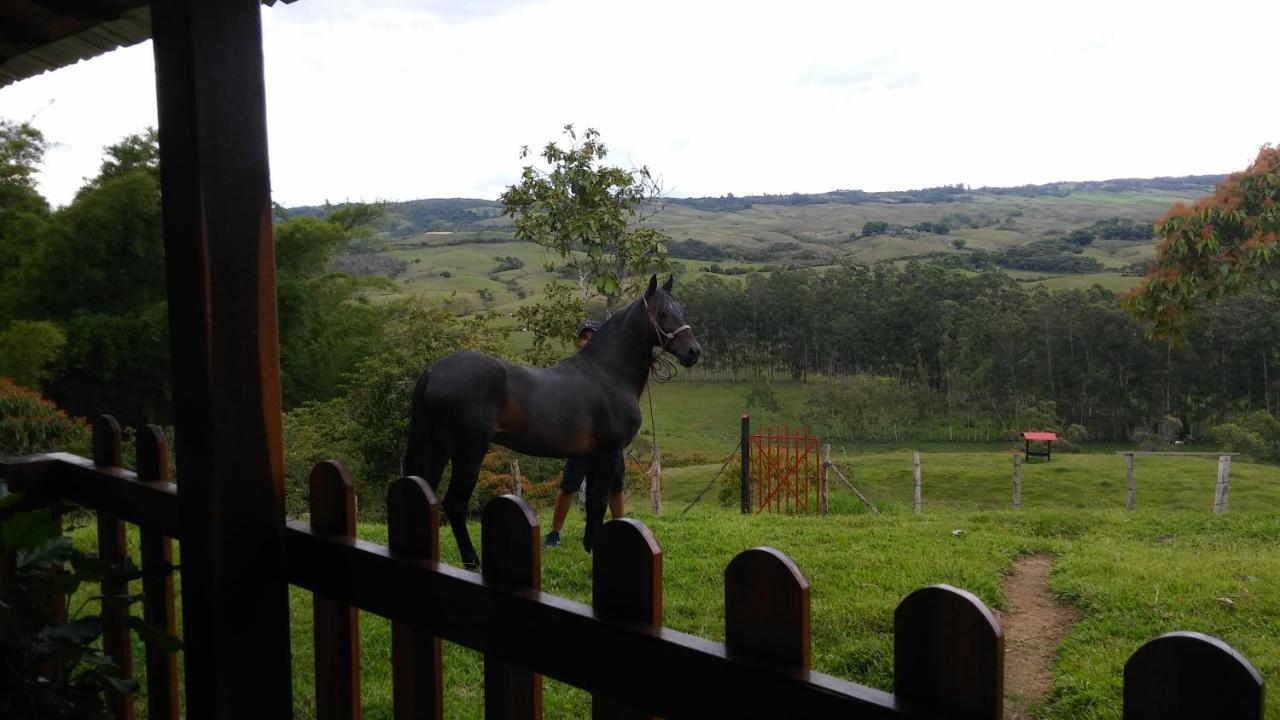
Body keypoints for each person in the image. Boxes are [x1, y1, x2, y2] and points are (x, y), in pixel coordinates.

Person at [543, 319, 626, 548]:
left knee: (615, 486)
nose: (588, 341)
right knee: (568, 485)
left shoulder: (612, 371)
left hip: (607, 441)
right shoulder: (570, 368)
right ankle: (554, 533)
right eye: (585, 337)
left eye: (593, 337)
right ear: (580, 341)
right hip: (580, 440)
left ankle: (621, 530)